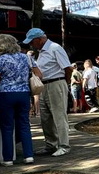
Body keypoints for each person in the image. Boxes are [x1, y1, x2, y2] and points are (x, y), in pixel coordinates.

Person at [0, 34, 39, 166]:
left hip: (5, 94)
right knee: (24, 124)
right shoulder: (26, 57)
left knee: (7, 127)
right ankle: (29, 155)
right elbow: (39, 74)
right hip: (24, 93)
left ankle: (8, 158)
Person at [23, 28, 72, 157]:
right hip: (44, 85)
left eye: (32, 42)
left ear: (39, 39)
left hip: (56, 83)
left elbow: (68, 68)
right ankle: (51, 144)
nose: (31, 45)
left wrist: (65, 83)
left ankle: (63, 145)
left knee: (59, 115)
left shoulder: (55, 48)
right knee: (45, 117)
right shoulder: (40, 52)